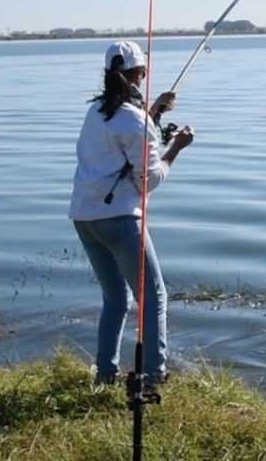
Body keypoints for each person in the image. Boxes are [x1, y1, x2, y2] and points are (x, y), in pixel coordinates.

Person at [69, 40, 194, 385]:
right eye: (143, 71)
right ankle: (155, 375)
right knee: (154, 298)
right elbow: (149, 180)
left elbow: (124, 138)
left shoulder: (95, 112)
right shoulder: (135, 121)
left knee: (115, 298)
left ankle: (105, 375)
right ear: (140, 73)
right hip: (120, 220)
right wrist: (176, 149)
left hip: (84, 217)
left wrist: (154, 113)